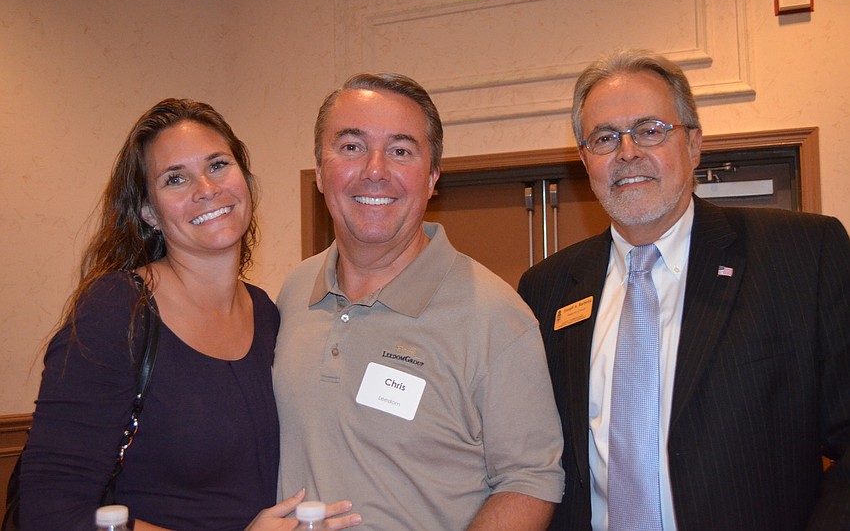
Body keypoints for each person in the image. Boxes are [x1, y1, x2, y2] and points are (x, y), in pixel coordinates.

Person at [518, 48, 850, 530]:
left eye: (651, 130)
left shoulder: (802, 254)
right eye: (605, 138)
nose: (627, 152)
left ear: (693, 143)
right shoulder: (545, 289)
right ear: (585, 160)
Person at [19, 98, 361, 531]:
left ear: (245, 180)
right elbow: (48, 511)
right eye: (175, 179)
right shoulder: (118, 311)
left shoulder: (269, 312)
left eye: (218, 165)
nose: (206, 188)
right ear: (148, 212)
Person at [273, 73, 565, 530]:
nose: (374, 169)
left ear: (432, 178)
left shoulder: (496, 317)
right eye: (351, 147)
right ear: (320, 169)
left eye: (401, 151)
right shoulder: (292, 293)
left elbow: (530, 480)